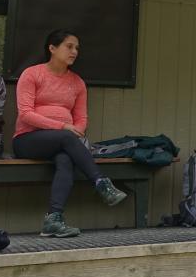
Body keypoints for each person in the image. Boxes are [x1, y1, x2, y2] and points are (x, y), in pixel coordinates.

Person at [12, 29, 127, 238]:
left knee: (66, 160)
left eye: (77, 48)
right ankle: (101, 183)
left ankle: (53, 219)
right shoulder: (32, 74)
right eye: (69, 46)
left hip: (62, 142)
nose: (74, 51)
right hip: (27, 140)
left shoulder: (77, 83)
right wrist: (64, 128)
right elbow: (26, 114)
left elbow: (81, 118)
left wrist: (77, 131)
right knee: (65, 138)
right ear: (52, 48)